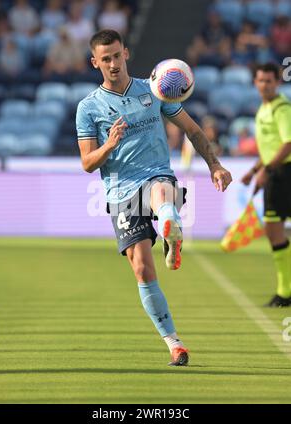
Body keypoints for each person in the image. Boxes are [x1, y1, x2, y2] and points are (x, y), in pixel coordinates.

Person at [76, 30, 232, 366]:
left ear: (126, 54)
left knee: (161, 188)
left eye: (117, 56)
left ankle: (170, 223)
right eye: (106, 59)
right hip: (120, 190)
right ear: (95, 63)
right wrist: (109, 144)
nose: (113, 64)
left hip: (156, 175)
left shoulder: (155, 90)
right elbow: (88, 163)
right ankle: (174, 343)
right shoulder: (88, 108)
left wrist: (215, 165)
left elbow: (191, 129)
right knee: (144, 270)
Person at [241, 63, 291, 307]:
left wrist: (267, 171)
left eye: (269, 81)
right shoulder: (264, 109)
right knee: (274, 232)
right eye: (260, 80)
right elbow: (271, 149)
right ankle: (285, 290)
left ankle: (285, 293)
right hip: (276, 173)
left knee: (274, 230)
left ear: (277, 83)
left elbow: (288, 144)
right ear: (255, 83)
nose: (264, 85)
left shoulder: (281, 109)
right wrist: (253, 171)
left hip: (284, 173)